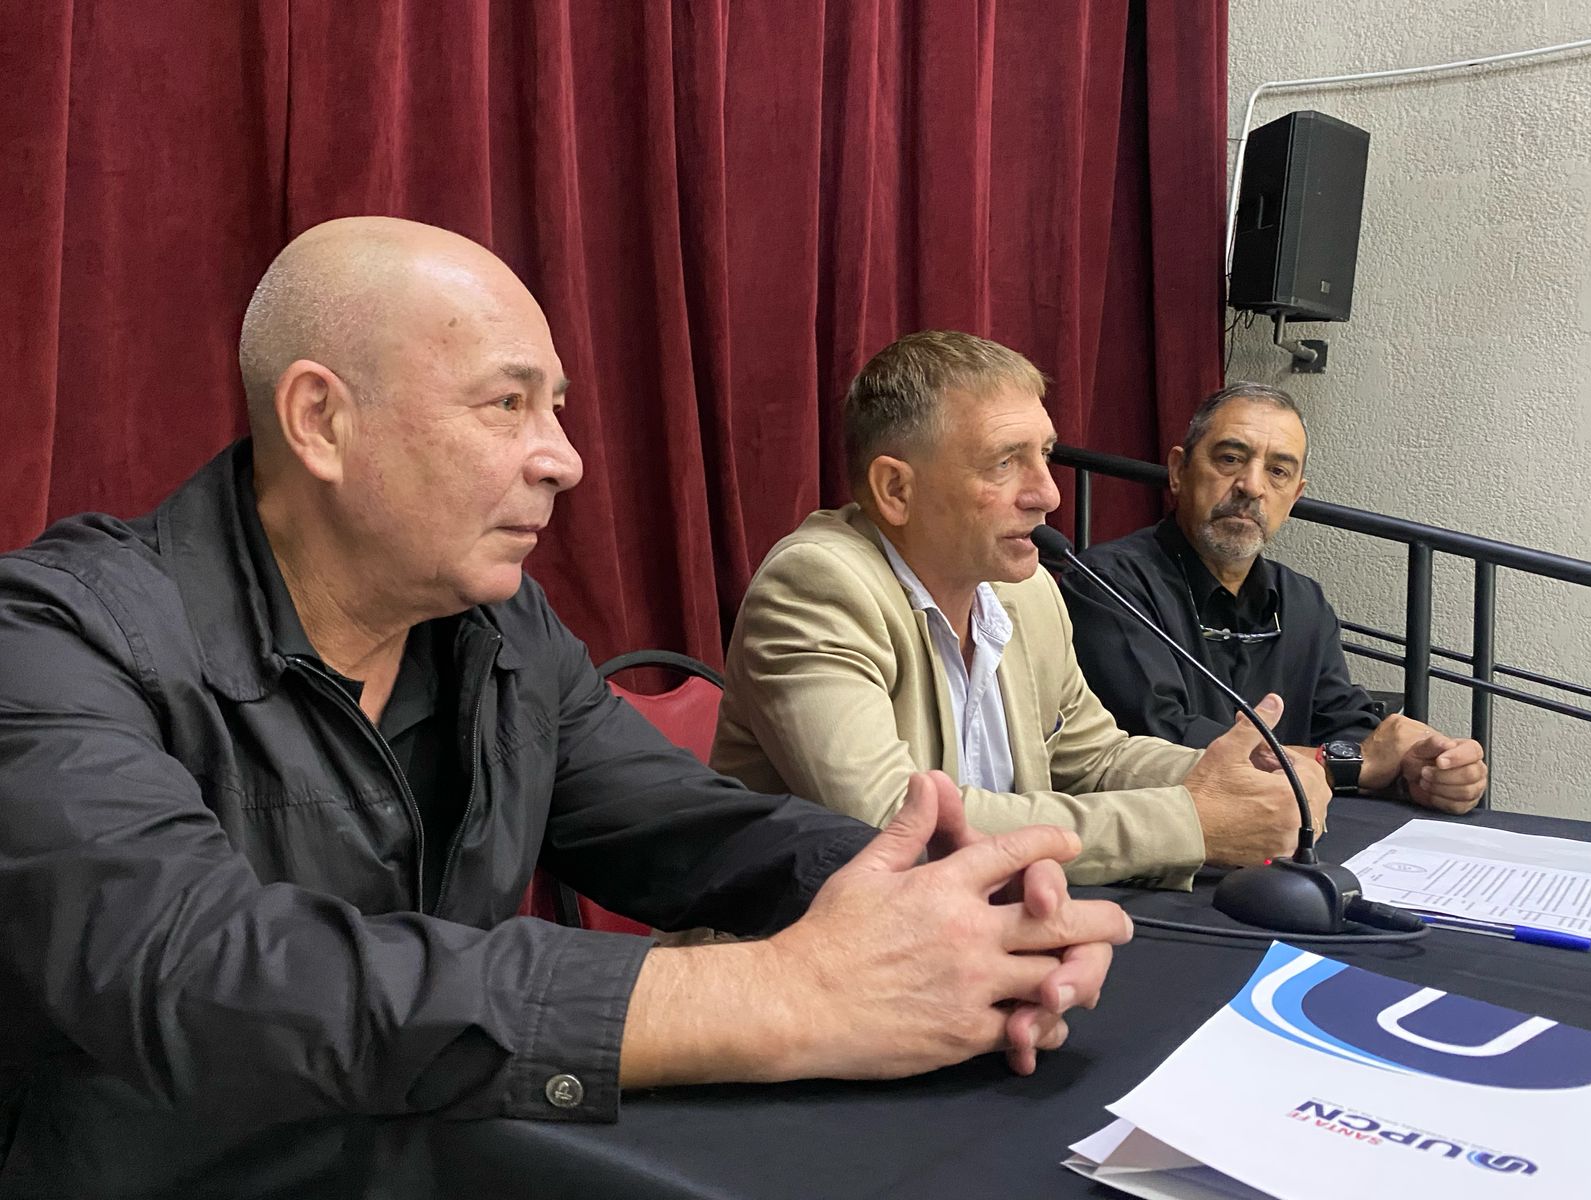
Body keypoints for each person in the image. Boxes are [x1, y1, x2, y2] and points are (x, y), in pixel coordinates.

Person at [0, 220, 1132, 1197]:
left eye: (557, 408)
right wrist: (782, 997)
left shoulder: (500, 630)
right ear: (320, 420)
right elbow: (204, 975)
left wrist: (951, 900)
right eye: (508, 404)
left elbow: (689, 827)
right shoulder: (53, 639)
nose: (566, 460)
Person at [712, 331, 1332, 894]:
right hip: (816, 959)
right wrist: (1192, 822)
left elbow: (1093, 759)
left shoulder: (1025, 591)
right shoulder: (815, 587)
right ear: (897, 490)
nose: (1048, 494)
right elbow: (897, 826)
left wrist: (1237, 777)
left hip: (987, 931)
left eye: (1045, 456)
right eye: (1004, 463)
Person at [1061, 381, 1486, 814]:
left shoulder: (1302, 601)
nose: (1251, 486)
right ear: (1178, 471)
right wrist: (1347, 764)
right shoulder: (1107, 583)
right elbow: (1158, 741)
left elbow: (1350, 729)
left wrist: (1420, 771)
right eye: (1230, 459)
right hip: (1165, 835)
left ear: (1295, 496)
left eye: (1278, 471)